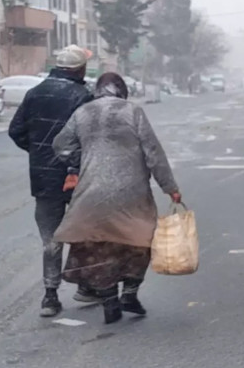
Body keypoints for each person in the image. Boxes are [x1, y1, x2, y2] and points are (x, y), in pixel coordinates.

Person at [52, 72, 182, 324]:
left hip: (91, 191)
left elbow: (61, 144)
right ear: (122, 91)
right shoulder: (133, 112)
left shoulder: (82, 113)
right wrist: (170, 187)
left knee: (99, 247)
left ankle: (110, 299)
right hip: (131, 193)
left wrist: (81, 160)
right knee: (139, 241)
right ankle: (130, 294)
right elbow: (152, 152)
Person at [8, 45, 94, 317]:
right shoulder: (82, 96)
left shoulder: (34, 94)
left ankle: (50, 295)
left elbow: (16, 131)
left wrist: (38, 151)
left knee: (51, 238)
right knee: (83, 232)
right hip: (76, 177)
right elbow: (89, 138)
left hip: (43, 177)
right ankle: (85, 286)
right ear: (80, 69)